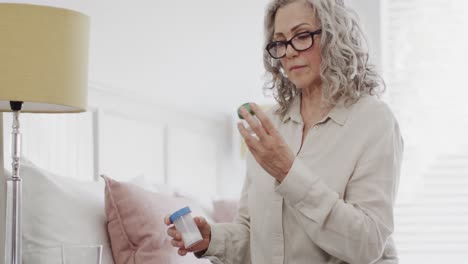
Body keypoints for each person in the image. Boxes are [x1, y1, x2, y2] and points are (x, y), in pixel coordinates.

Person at [165, 0, 403, 263]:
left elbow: (367, 244)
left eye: (301, 36)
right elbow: (251, 234)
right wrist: (213, 239)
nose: (288, 52)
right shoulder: (270, 125)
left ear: (334, 37)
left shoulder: (373, 120)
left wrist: (288, 172)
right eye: (280, 42)